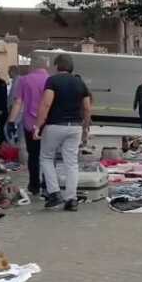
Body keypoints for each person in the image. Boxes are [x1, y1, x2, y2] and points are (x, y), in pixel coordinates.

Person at [34, 54, 91, 211]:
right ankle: (71, 199)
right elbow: (86, 108)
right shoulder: (80, 82)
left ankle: (54, 193)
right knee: (71, 162)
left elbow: (46, 104)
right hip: (75, 127)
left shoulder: (52, 81)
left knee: (46, 157)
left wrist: (37, 126)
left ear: (57, 66)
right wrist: (85, 128)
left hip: (55, 125)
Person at [7, 61, 49, 197]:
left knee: (33, 155)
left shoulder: (24, 80)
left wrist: (11, 121)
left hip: (30, 124)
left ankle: (34, 185)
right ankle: (48, 184)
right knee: (48, 156)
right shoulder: (50, 80)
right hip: (47, 123)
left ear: (32, 67)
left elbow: (18, 102)